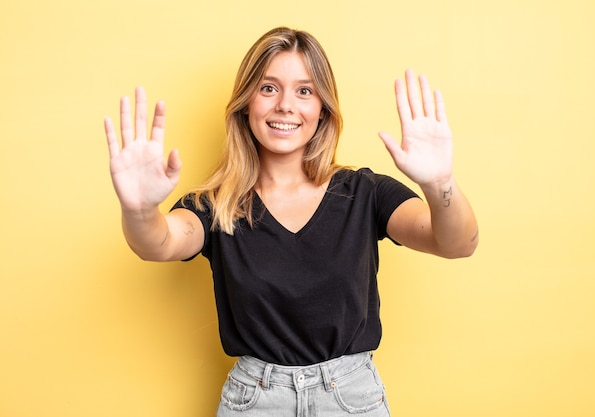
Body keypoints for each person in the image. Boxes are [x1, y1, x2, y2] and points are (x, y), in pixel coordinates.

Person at [104, 26, 478, 417]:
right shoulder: (216, 206)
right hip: (255, 402)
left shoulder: (365, 193)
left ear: (322, 108)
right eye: (268, 88)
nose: (285, 105)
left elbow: (457, 243)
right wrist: (140, 210)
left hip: (351, 400)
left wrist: (439, 184)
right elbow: (158, 243)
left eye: (304, 90)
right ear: (246, 102)